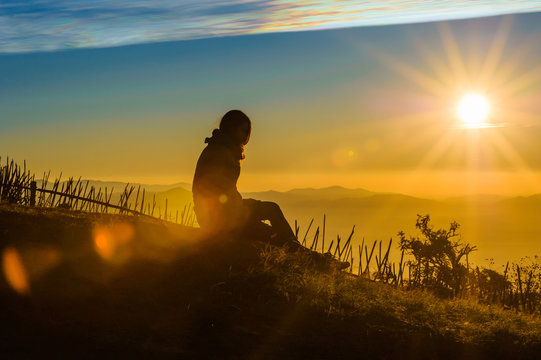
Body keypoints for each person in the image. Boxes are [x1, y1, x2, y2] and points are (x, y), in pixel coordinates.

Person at [192, 110, 300, 246]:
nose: (245, 136)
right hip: (221, 220)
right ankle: (300, 253)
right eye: (243, 130)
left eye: (246, 131)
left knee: (272, 210)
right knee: (275, 234)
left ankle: (298, 249)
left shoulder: (221, 148)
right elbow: (214, 194)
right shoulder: (219, 152)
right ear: (231, 129)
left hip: (223, 215)